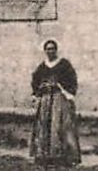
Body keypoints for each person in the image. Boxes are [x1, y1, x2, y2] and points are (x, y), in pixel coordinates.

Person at [30, 39, 80, 167]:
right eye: (47, 49)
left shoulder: (64, 65)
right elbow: (35, 81)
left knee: (58, 126)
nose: (50, 51)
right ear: (45, 51)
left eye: (52, 48)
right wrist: (39, 90)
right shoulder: (42, 66)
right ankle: (44, 155)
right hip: (46, 100)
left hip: (59, 99)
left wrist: (63, 89)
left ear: (56, 50)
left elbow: (72, 80)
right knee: (44, 126)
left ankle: (60, 156)